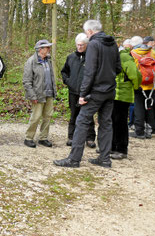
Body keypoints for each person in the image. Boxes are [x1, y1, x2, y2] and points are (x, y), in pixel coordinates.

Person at [54, 20, 121, 168]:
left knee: (82, 121)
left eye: (86, 32)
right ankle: (105, 159)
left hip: (95, 92)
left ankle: (74, 159)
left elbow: (89, 72)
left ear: (90, 31)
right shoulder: (113, 44)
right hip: (110, 91)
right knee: (106, 124)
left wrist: (83, 94)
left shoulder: (93, 45)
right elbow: (118, 68)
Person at [61, 33, 97, 148]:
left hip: (87, 93)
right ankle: (71, 137)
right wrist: (68, 81)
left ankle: (90, 138)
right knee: (73, 115)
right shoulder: (71, 57)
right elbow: (64, 72)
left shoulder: (92, 58)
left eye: (82, 45)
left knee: (88, 116)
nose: (80, 47)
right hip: (73, 92)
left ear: (86, 45)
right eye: (78, 45)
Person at [23, 39, 57, 148]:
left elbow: (51, 78)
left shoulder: (49, 61)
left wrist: (54, 91)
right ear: (40, 49)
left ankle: (43, 138)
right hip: (37, 95)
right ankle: (28, 138)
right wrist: (32, 96)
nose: (49, 49)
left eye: (49, 47)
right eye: (47, 47)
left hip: (49, 93)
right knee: (36, 117)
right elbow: (26, 81)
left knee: (48, 116)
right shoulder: (31, 61)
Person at [110, 39, 141, 159]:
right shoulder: (113, 56)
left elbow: (135, 75)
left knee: (121, 122)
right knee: (111, 121)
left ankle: (122, 149)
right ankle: (112, 147)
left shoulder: (124, 57)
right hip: (112, 94)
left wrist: (135, 87)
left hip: (123, 95)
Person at [130, 35, 155, 139]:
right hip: (151, 84)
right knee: (149, 107)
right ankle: (149, 130)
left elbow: (132, 71)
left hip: (139, 85)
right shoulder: (153, 52)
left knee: (138, 107)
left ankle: (139, 131)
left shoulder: (133, 54)